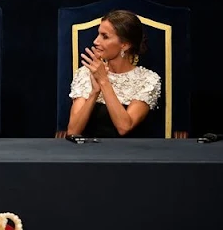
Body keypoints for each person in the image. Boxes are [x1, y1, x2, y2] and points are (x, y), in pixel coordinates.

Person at [66, 9, 161, 138]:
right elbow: (73, 131)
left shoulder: (148, 80)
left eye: (105, 36)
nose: (96, 41)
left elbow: (124, 127)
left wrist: (104, 82)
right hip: (89, 153)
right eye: (98, 34)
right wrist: (94, 92)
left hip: (129, 154)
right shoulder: (85, 73)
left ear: (124, 45)